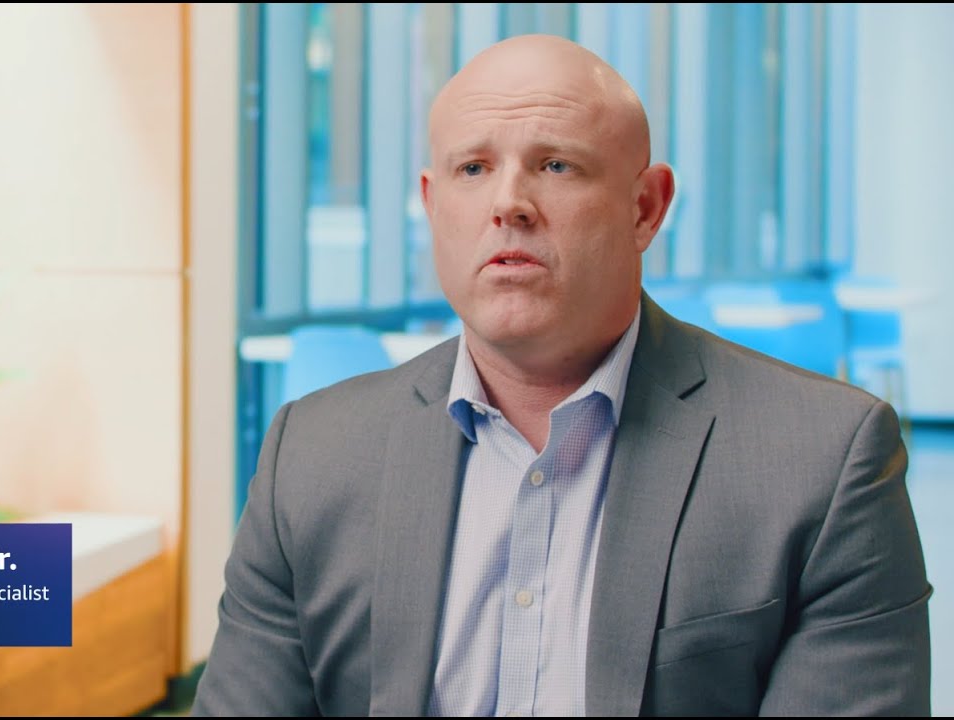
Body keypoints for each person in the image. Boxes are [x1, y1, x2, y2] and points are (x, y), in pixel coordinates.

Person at [191, 34, 931, 717]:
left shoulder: (822, 462)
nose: (508, 204)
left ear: (646, 207)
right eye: (473, 169)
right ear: (432, 204)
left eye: (556, 166)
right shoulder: (312, 455)